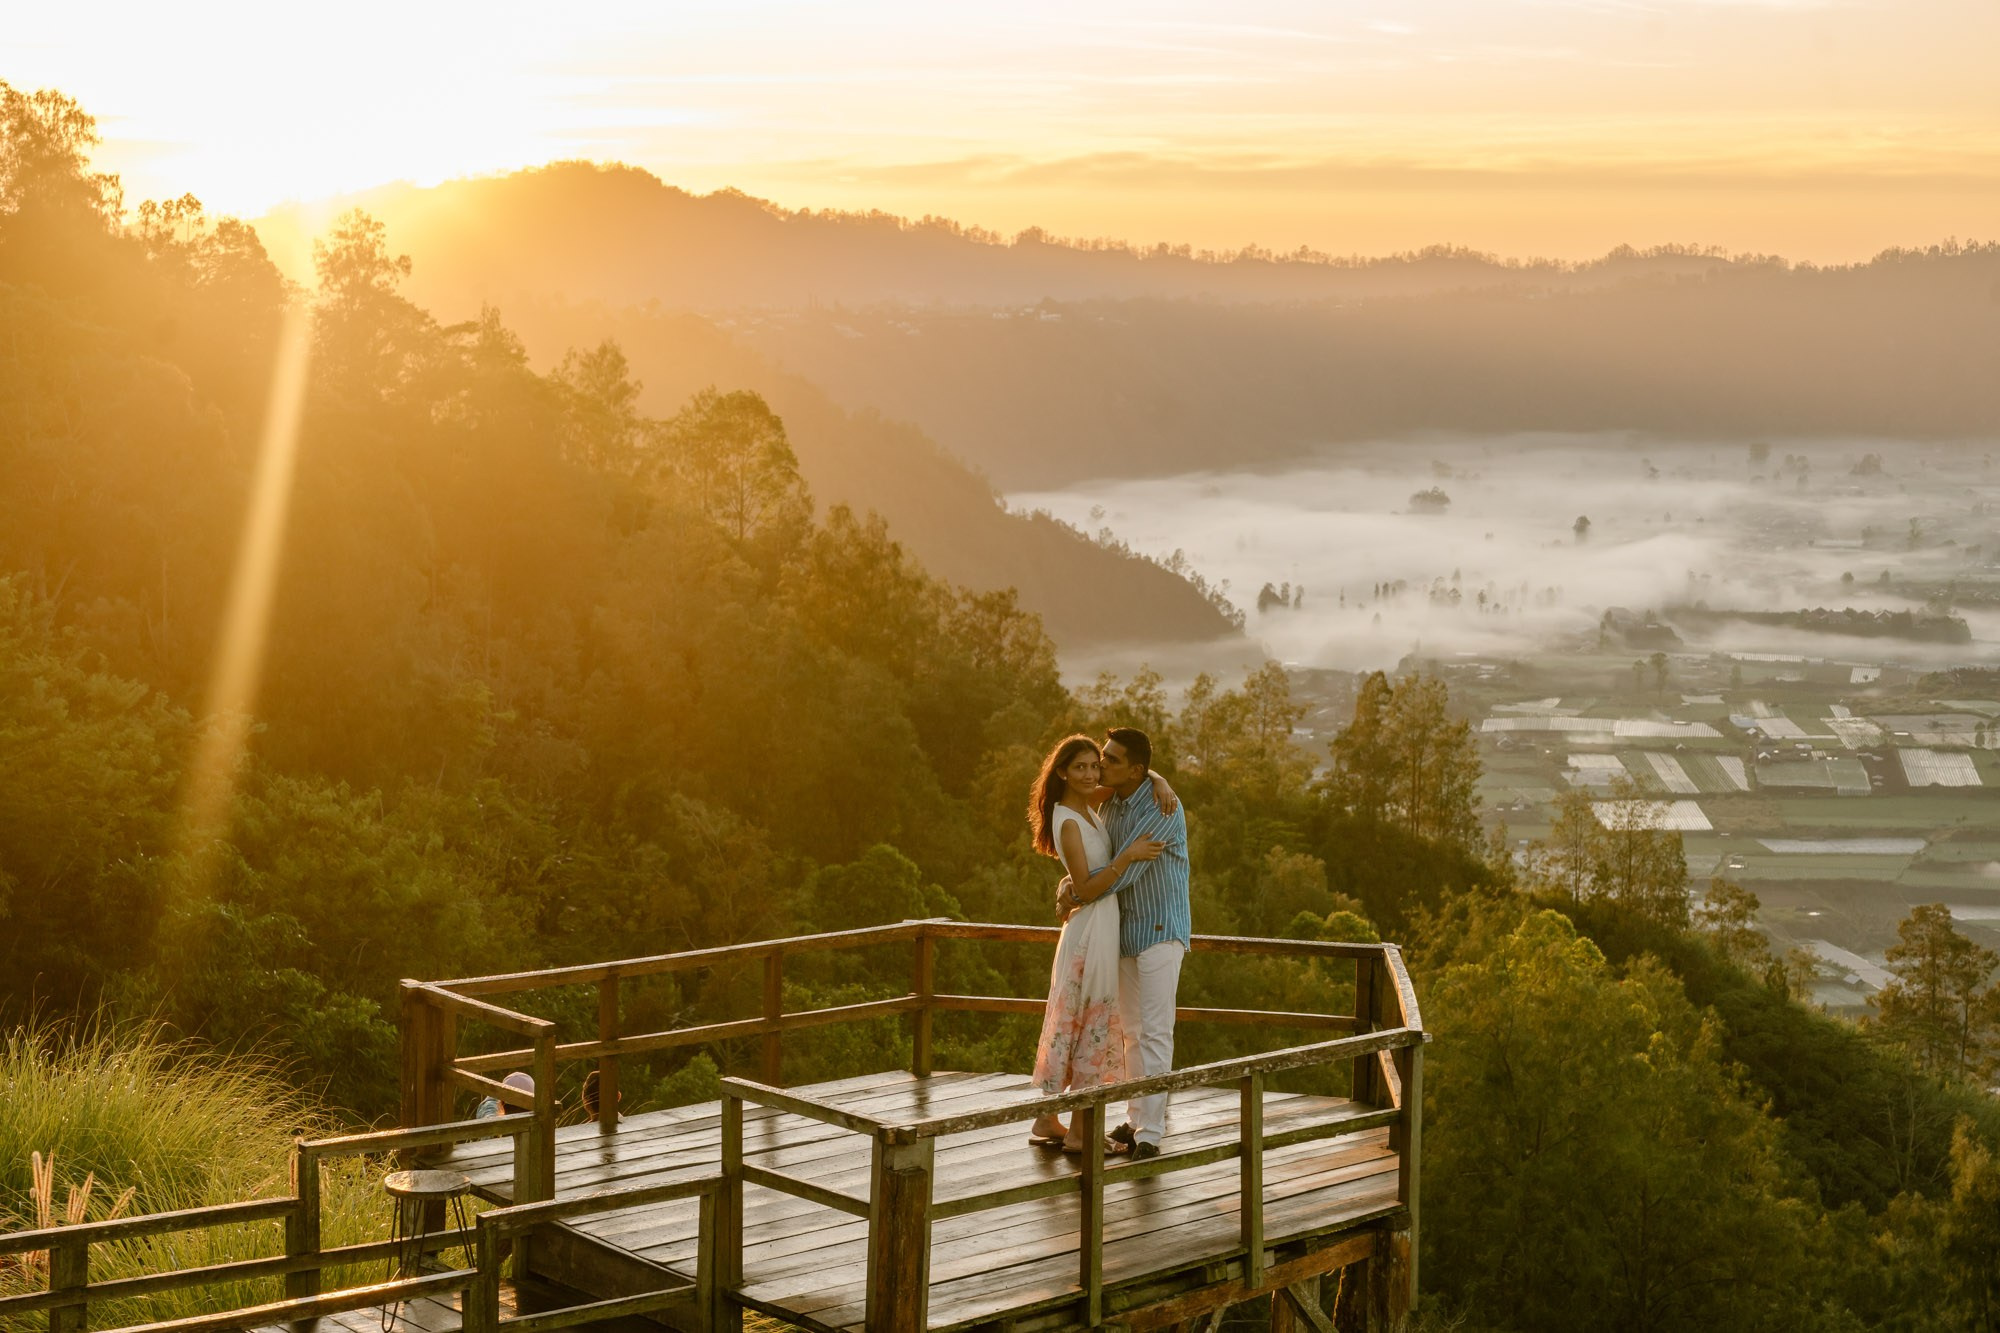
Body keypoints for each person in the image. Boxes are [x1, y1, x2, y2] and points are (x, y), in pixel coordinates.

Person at [1026, 735, 1170, 1152]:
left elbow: (1133, 778)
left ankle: (1048, 1119)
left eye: (1096, 765)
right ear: (1062, 772)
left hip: (1104, 926)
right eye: (1083, 767)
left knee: (1076, 1022)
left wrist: (1161, 781)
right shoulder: (1068, 818)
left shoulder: (1088, 801)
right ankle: (1080, 1134)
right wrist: (1127, 857)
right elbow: (1087, 888)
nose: (1093, 773)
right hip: (1090, 930)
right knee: (1088, 1022)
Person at [1056, 727, 1190, 1159]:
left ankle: (1151, 1130)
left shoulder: (1162, 807)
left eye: (1110, 760)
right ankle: (1135, 1119)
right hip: (1124, 934)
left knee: (1154, 1032)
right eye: (1101, 758)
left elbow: (1121, 873)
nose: (1101, 765)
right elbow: (1098, 861)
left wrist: (1074, 892)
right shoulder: (1111, 803)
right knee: (1131, 1033)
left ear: (1135, 770)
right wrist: (1071, 882)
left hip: (1158, 932)